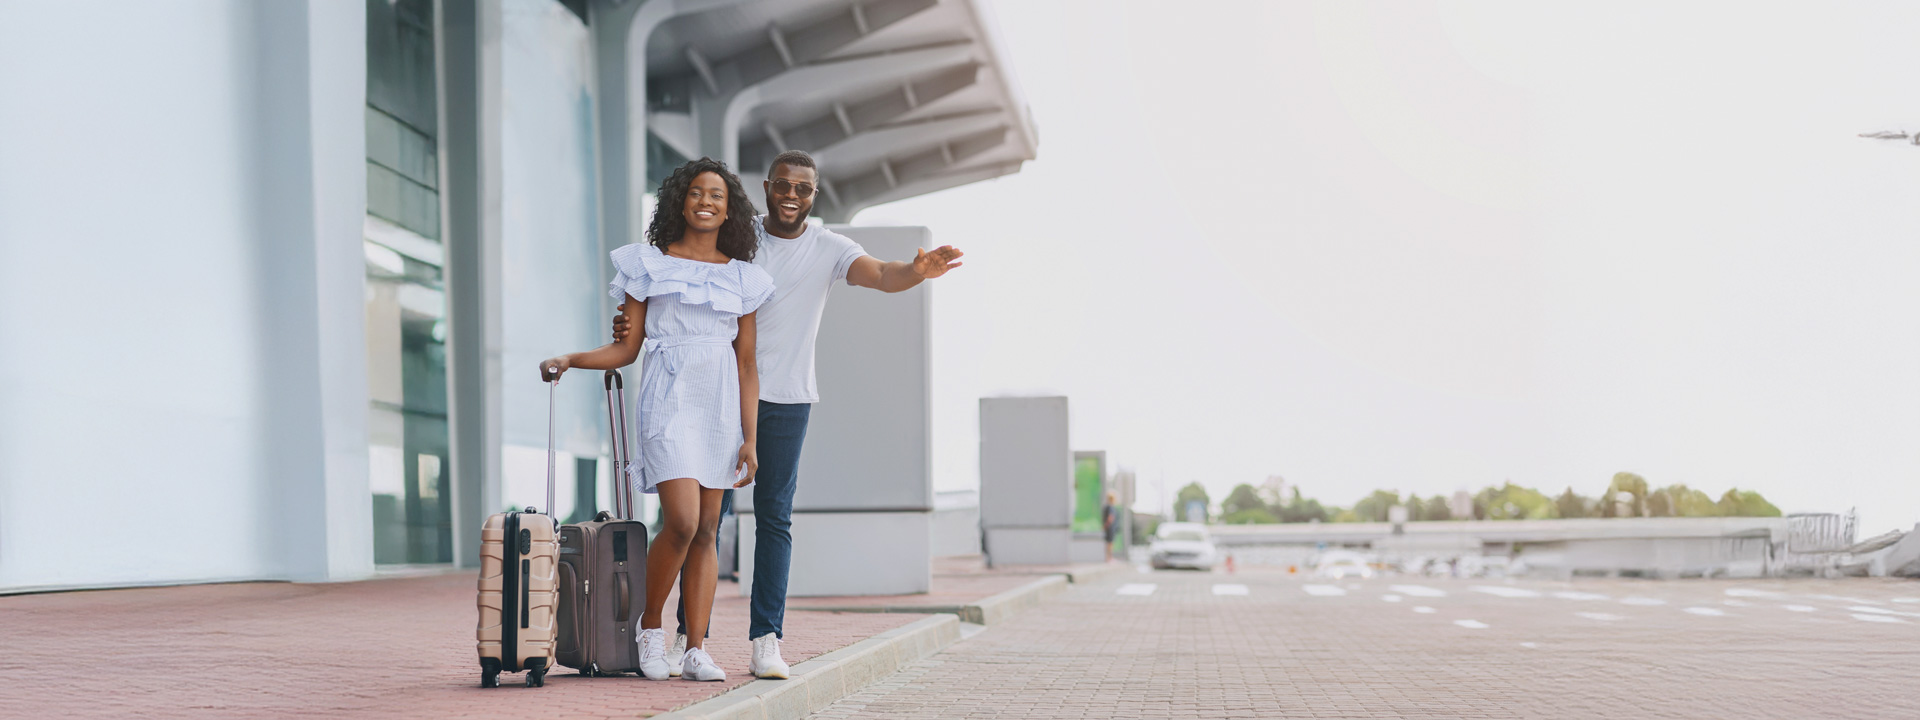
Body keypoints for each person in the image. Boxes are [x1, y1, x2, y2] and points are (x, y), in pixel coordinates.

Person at [614, 150, 963, 679]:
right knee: (705, 521)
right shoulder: (738, 238)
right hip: (720, 393)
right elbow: (683, 275)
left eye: (803, 189)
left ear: (813, 195)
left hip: (788, 399)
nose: (792, 196)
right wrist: (631, 321)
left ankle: (765, 640)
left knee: (774, 518)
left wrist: (917, 271)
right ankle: (690, 636)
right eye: (783, 185)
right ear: (768, 186)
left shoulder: (830, 248)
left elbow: (883, 275)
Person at [539, 157, 774, 682]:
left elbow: (747, 362)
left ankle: (694, 648)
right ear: (679, 201)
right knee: (683, 521)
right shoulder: (648, 264)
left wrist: (750, 439)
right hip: (668, 395)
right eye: (696, 193)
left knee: (709, 529)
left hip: (719, 402)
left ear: (730, 208)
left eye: (717, 195)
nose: (706, 202)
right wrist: (572, 359)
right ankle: (648, 628)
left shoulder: (744, 278)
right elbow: (627, 348)